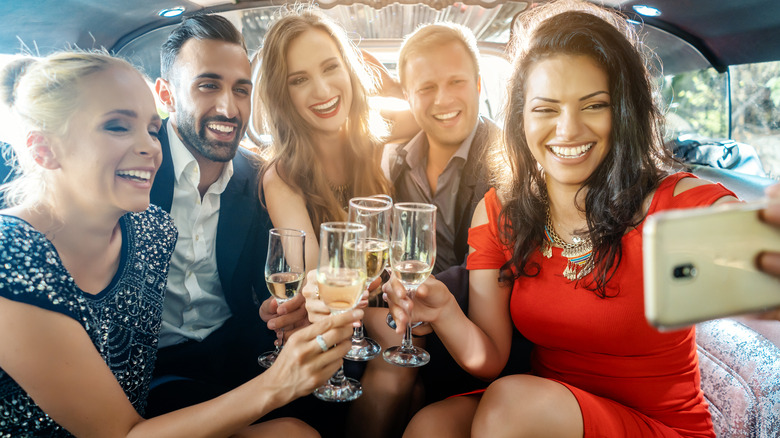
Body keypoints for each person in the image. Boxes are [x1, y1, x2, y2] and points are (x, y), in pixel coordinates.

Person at [384, 1, 738, 436]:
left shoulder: (671, 202)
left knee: (511, 405)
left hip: (655, 423)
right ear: (520, 118)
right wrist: (442, 313)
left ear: (624, 111)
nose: (568, 130)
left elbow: (754, 247)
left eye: (593, 105)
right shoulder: (500, 213)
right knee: (431, 425)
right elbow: (489, 357)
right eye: (546, 109)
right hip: (541, 410)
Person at [0, 50, 360, 437]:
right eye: (118, 127)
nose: (149, 147)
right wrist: (279, 383)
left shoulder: (151, 230)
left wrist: (285, 315)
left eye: (153, 130)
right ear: (43, 150)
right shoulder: (12, 259)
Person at [257, 9, 421, 438]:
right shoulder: (283, 176)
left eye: (332, 68)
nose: (323, 90)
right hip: (327, 323)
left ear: (350, 69)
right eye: (299, 79)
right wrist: (389, 324)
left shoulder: (377, 134)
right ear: (283, 94)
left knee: (405, 363)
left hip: (377, 308)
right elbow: (318, 283)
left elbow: (432, 109)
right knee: (401, 361)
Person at [145, 14, 311, 416]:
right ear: (166, 95)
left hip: (238, 347)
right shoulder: (137, 167)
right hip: (151, 365)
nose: (229, 107)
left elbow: (264, 279)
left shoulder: (258, 179)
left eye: (241, 90)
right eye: (208, 85)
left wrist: (273, 310)